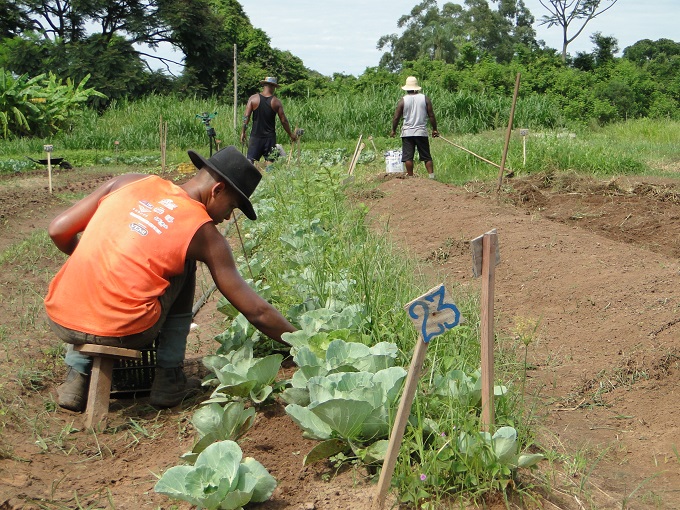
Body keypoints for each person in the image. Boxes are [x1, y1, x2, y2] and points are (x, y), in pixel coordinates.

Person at [45, 146, 296, 411]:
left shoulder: (129, 181)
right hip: (127, 329)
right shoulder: (203, 233)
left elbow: (58, 230)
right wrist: (300, 341)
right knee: (185, 262)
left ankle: (76, 376)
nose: (227, 217)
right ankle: (169, 376)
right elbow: (256, 311)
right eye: (232, 206)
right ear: (217, 190)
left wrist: (97, 257)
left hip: (61, 318)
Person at [390, 76, 439, 179]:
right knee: (426, 156)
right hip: (421, 132)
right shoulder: (425, 98)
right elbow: (431, 115)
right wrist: (434, 129)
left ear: (407, 88)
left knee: (408, 157)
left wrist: (393, 130)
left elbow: (396, 117)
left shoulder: (403, 101)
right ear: (416, 88)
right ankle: (431, 176)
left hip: (407, 133)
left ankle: (411, 178)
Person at [240, 77, 297, 165]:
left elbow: (246, 117)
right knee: (270, 161)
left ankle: (249, 177)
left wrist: (243, 132)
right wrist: (291, 134)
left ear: (264, 85)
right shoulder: (276, 102)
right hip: (269, 138)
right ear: (273, 86)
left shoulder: (253, 99)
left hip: (255, 137)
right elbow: (284, 121)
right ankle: (269, 177)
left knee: (250, 161)